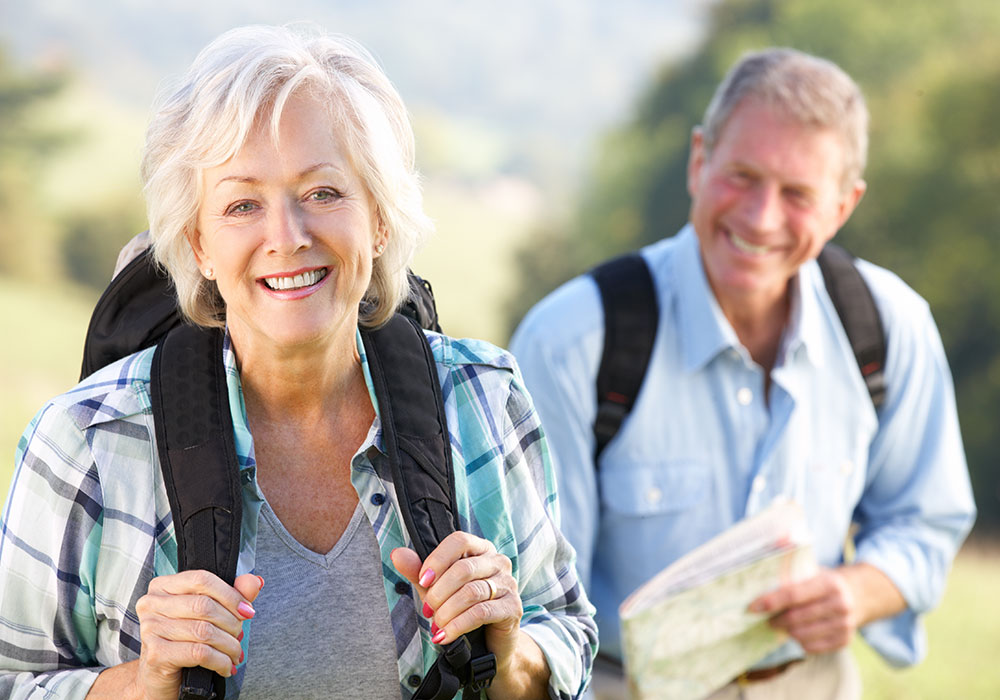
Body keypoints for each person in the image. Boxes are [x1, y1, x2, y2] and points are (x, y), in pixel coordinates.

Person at [0, 24, 596, 700]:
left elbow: (566, 628)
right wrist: (142, 684)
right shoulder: (85, 441)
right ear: (198, 245)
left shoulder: (485, 398)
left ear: (378, 217)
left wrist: (509, 655)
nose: (287, 237)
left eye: (323, 193)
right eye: (242, 204)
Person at [510, 47, 975, 699]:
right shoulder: (571, 342)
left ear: (844, 206)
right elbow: (541, 610)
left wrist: (857, 591)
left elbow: (924, 522)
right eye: (742, 176)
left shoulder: (890, 327)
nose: (760, 217)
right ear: (699, 162)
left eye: (798, 194)